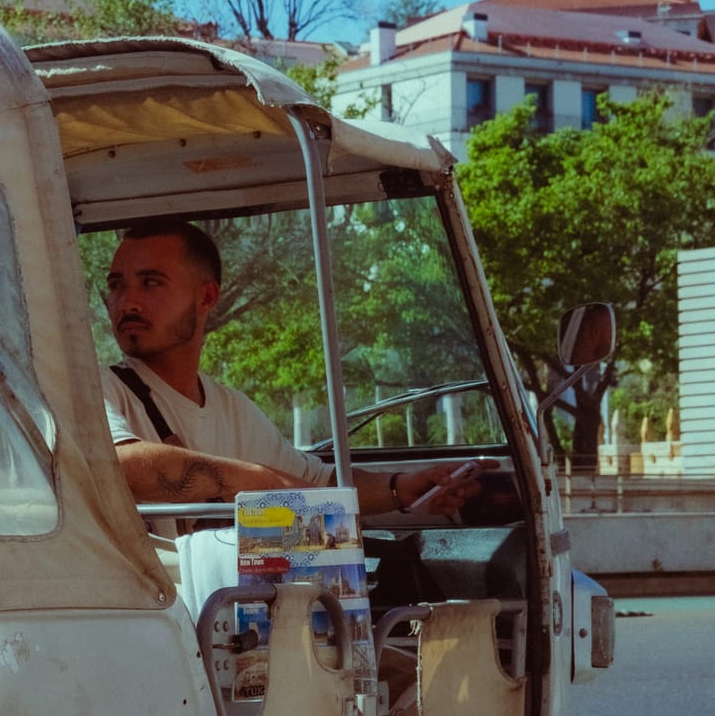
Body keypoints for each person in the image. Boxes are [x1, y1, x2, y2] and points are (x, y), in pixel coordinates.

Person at [100, 219, 487, 523]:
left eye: (151, 283)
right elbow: (119, 464)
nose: (127, 302)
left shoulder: (232, 408)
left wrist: (401, 488)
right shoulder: (98, 387)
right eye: (117, 286)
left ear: (207, 297)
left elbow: (318, 481)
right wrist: (260, 481)